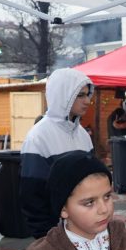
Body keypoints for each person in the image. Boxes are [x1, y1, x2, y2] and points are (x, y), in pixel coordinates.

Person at [20, 67, 94, 238]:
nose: (87, 101)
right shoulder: (38, 137)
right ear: (63, 95)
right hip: (55, 232)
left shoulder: (83, 135)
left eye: (87, 94)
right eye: (80, 95)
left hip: (85, 227)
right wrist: (46, 237)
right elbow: (32, 197)